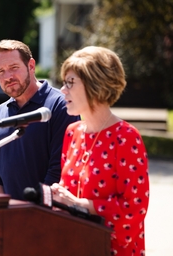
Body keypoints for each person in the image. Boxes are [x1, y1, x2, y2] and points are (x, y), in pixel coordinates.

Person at [50, 46, 149, 255]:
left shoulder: (126, 137)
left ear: (94, 84)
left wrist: (79, 204)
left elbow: (134, 211)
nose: (62, 90)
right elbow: (68, 192)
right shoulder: (72, 132)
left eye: (70, 82)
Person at [0, 39, 80, 200]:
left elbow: (60, 169)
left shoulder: (61, 106)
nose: (8, 77)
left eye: (14, 68)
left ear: (31, 66)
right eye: (1, 71)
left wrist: (32, 210)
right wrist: (1, 205)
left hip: (46, 216)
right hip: (7, 216)